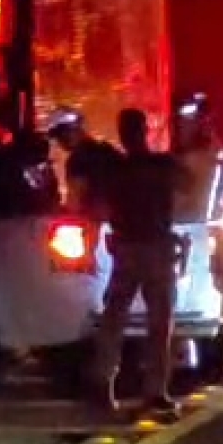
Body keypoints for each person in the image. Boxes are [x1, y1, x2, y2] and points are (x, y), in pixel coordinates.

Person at [90, 108, 190, 414]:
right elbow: (190, 185)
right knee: (159, 324)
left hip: (126, 248)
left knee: (114, 319)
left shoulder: (115, 169)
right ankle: (155, 390)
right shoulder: (162, 165)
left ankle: (104, 385)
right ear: (146, 129)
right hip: (157, 248)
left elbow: (98, 203)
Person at [46, 108, 120, 218]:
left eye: (62, 134)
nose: (60, 140)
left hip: (92, 223)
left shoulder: (77, 160)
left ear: (75, 130)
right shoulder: (109, 152)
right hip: (119, 221)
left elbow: (74, 205)